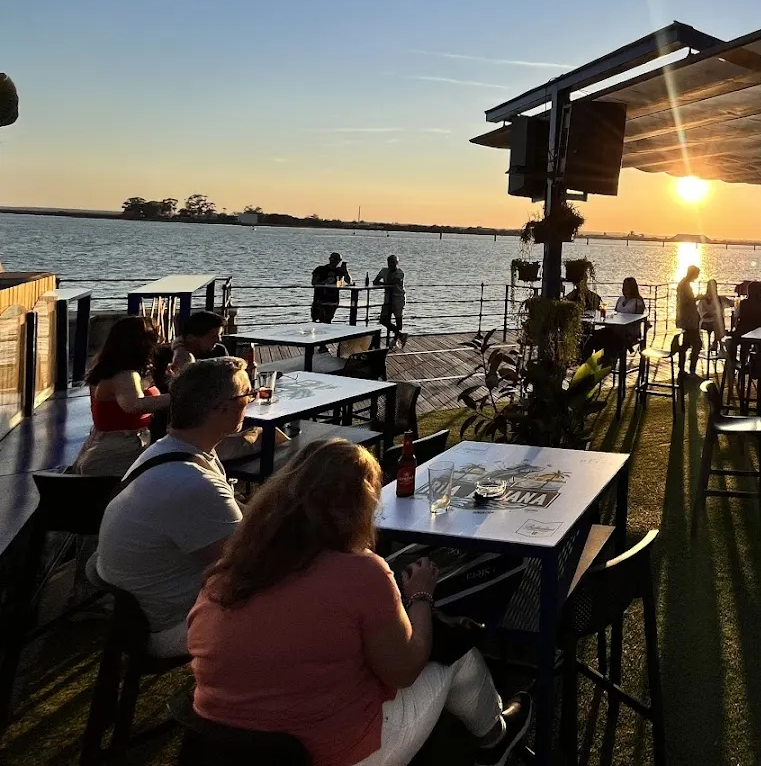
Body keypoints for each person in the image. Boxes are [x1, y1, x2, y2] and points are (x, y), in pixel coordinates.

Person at [188, 440, 532, 766]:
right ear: (360, 506)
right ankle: (495, 738)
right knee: (458, 654)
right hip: (329, 754)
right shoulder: (361, 573)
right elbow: (405, 671)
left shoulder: (226, 575)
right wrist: (421, 596)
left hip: (222, 748)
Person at [97, 358, 248, 656]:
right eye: (248, 395)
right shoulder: (193, 483)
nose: (251, 402)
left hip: (138, 612)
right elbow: (247, 565)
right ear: (223, 408)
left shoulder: (167, 451)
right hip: (171, 626)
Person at [78, 316, 169, 476]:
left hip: (107, 441)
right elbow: (134, 405)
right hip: (120, 446)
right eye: (153, 337)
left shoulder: (110, 370)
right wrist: (178, 396)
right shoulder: (126, 375)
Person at [676, 265, 702, 375]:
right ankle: (690, 370)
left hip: (688, 319)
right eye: (696, 275)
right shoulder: (684, 285)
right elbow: (686, 302)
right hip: (689, 320)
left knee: (686, 344)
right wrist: (698, 298)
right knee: (696, 344)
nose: (697, 277)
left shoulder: (684, 284)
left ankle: (683, 368)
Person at [374, 256, 407, 346]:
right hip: (388, 297)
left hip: (398, 298)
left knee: (398, 318)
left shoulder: (399, 273)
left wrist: (382, 283)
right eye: (389, 262)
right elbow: (375, 281)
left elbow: (394, 282)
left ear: (397, 263)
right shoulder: (384, 271)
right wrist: (381, 283)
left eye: (393, 262)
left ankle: (396, 338)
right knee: (383, 319)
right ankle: (400, 335)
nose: (391, 264)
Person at [311, 253, 349, 324]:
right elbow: (314, 282)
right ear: (330, 259)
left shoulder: (339, 271)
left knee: (328, 320)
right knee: (316, 320)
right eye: (335, 259)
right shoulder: (320, 269)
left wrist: (345, 272)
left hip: (333, 300)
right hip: (320, 299)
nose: (336, 261)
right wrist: (324, 283)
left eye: (339, 260)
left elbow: (348, 282)